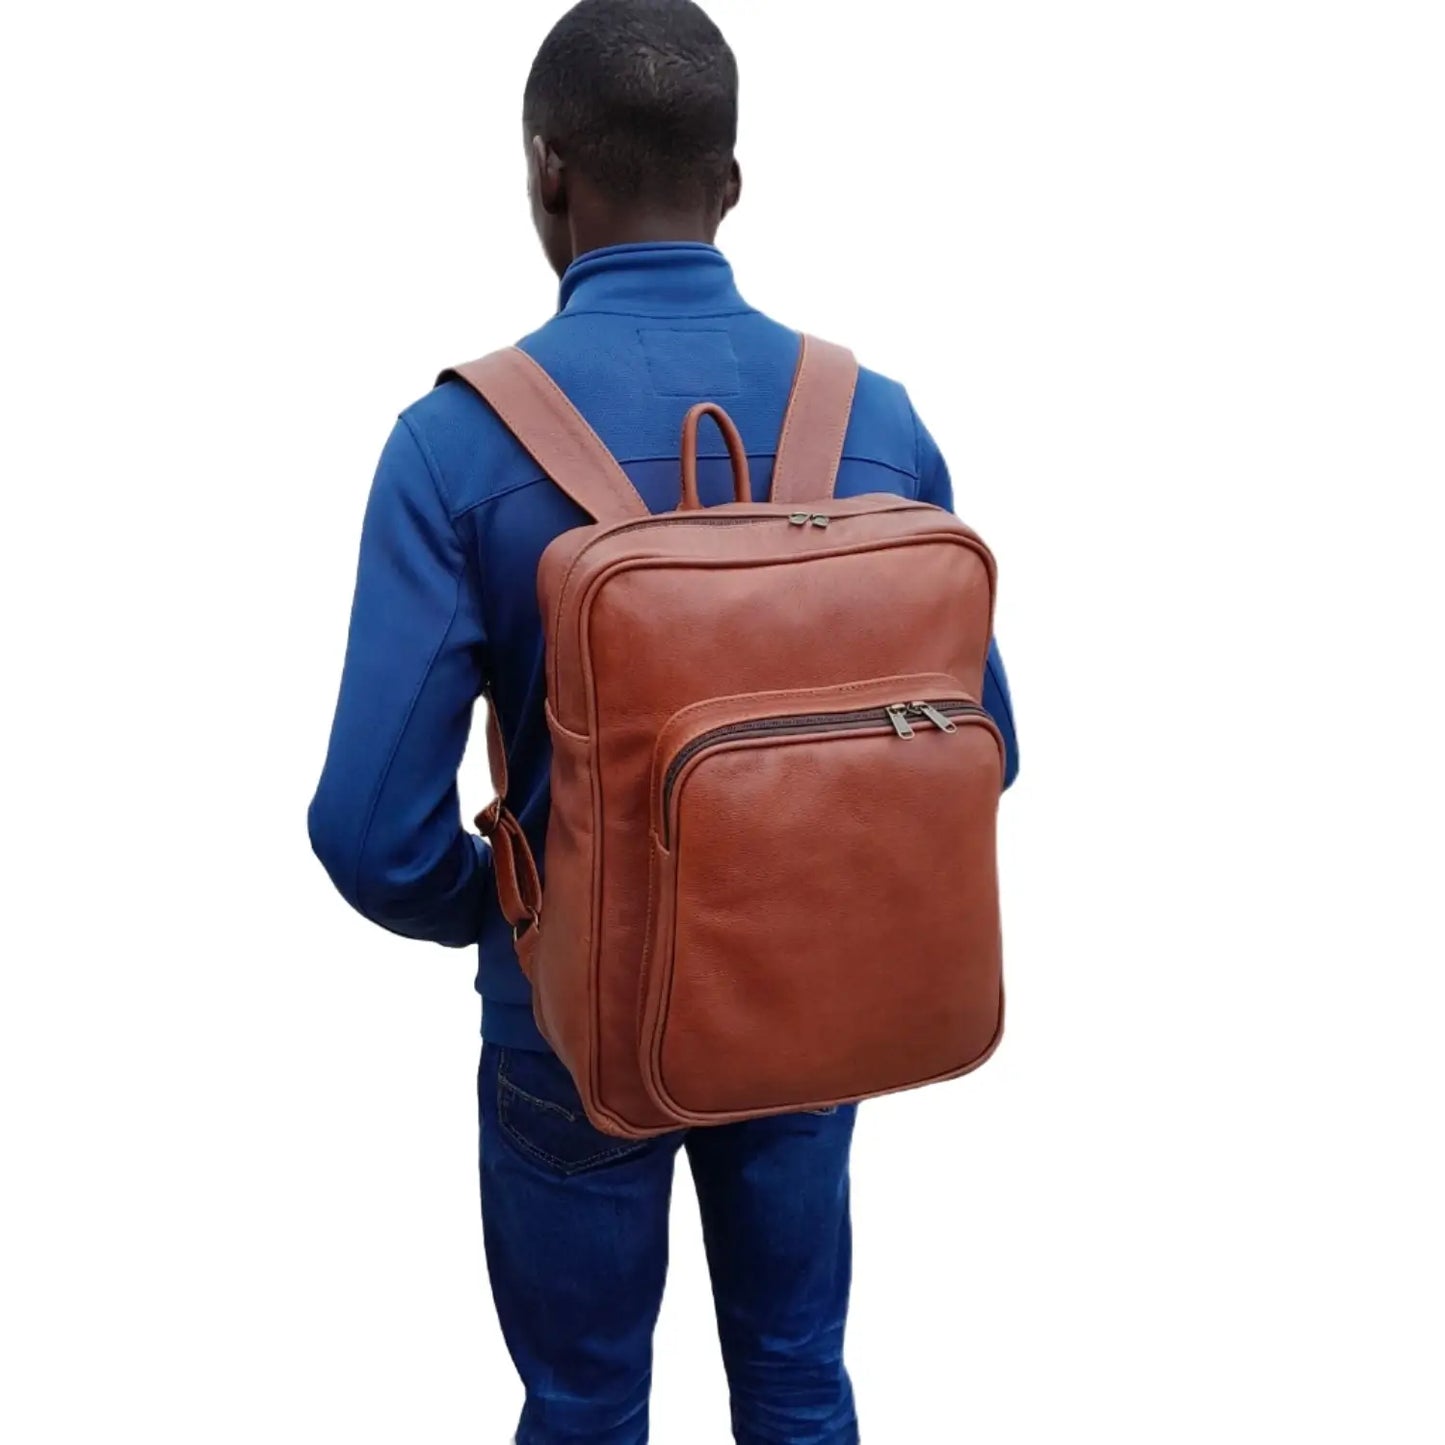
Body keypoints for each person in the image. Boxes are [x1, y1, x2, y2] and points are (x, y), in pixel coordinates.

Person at [309, 1, 1020, 1440]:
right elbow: (983, 746)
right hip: (810, 992)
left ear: (546, 170)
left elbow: (368, 828)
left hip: (570, 1030)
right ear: (732, 184)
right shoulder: (874, 418)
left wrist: (523, 907)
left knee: (581, 1397)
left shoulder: (454, 443)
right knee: (796, 1375)